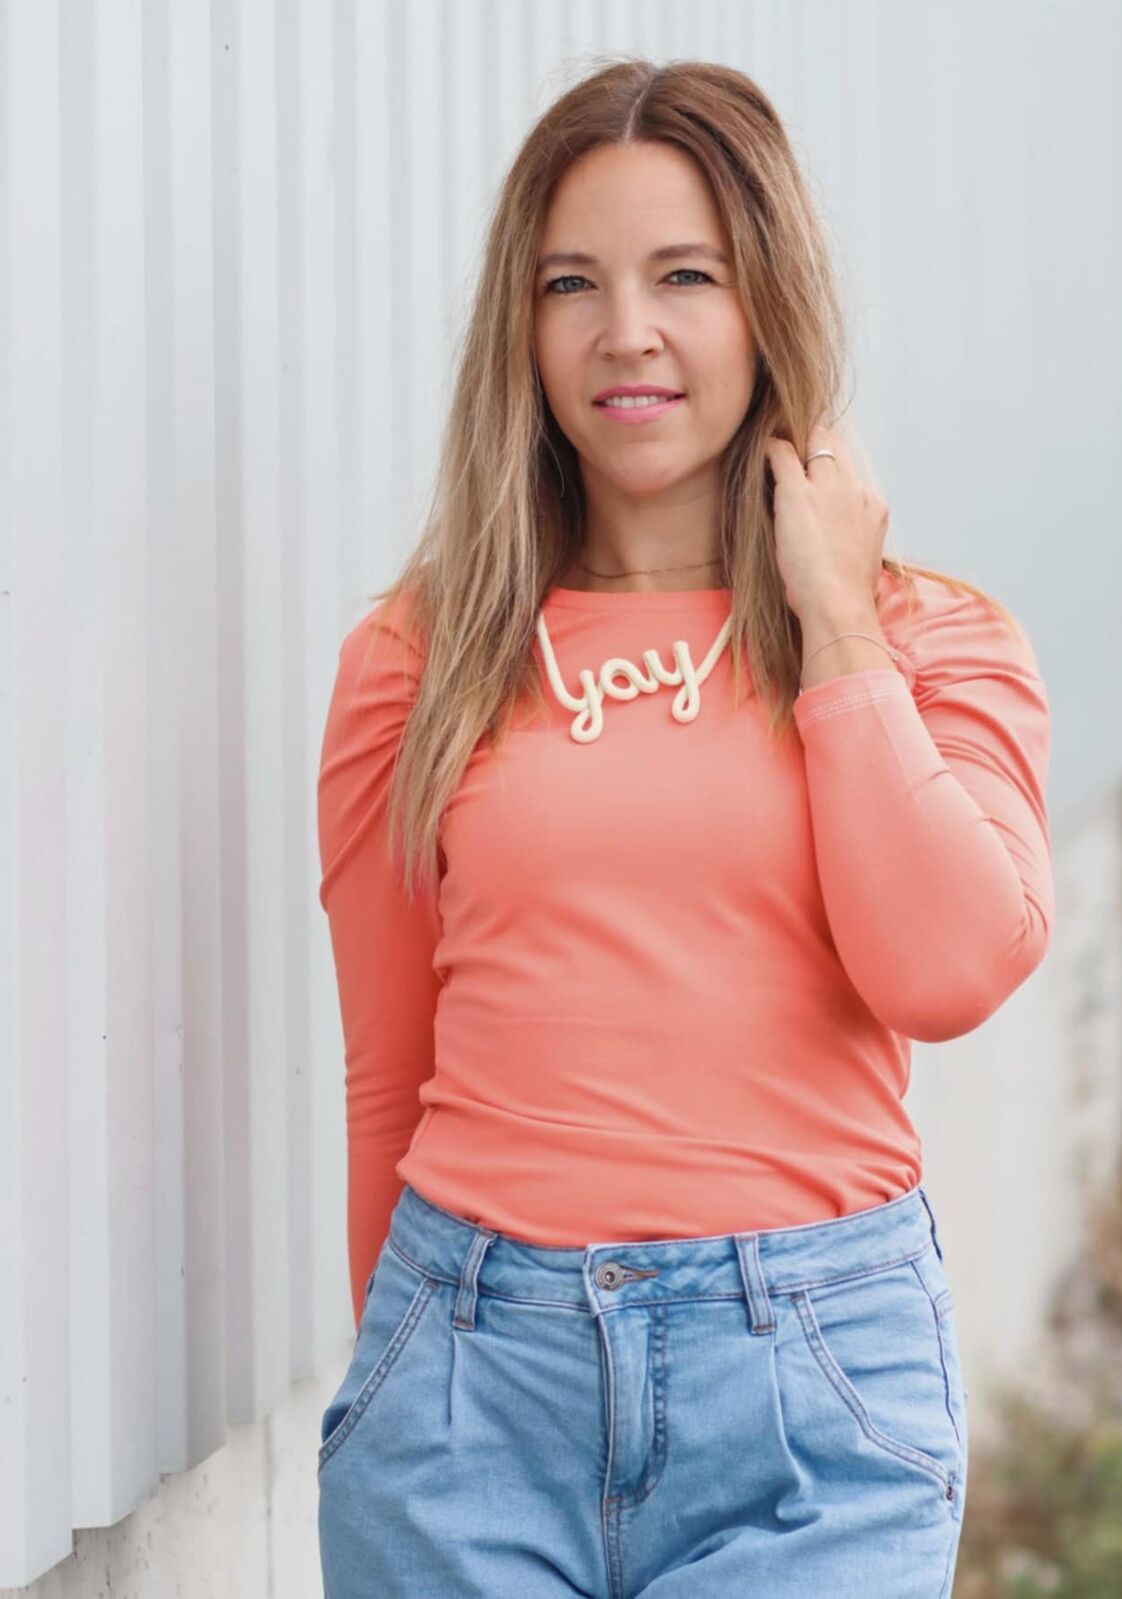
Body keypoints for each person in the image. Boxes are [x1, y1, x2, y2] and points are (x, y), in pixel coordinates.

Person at [314, 56, 1052, 1599]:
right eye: (568, 283)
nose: (624, 332)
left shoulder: (934, 643)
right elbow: (388, 1073)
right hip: (463, 1387)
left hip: (812, 1403)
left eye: (684, 276)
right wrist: (395, 1381)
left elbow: (945, 974)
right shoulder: (417, 657)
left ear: (767, 303)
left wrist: (835, 624)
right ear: (519, 326)